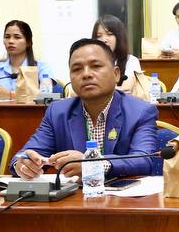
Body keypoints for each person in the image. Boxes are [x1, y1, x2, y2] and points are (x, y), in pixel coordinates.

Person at [11, 39, 161, 181]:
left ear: (116, 74)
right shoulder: (57, 112)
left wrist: (93, 164)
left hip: (124, 196)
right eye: (77, 69)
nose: (86, 74)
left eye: (96, 66)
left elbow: (144, 160)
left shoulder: (140, 112)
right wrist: (23, 164)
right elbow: (24, 154)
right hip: (75, 197)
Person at [0, 20, 56, 98]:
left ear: (28, 42)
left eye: (17, 37)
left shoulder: (41, 67)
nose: (10, 41)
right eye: (7, 37)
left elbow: (46, 95)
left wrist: (9, 94)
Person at [92, 15, 141, 91]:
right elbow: (75, 91)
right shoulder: (90, 61)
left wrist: (94, 91)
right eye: (99, 36)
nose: (104, 40)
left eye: (109, 34)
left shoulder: (131, 61)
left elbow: (126, 89)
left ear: (119, 37)